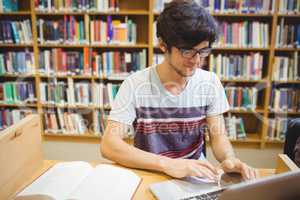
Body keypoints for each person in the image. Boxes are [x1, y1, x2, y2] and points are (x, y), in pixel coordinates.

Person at [100, 0, 257, 181]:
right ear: (163, 45)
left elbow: (219, 137)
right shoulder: (135, 85)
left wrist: (229, 159)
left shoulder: (210, 82)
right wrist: (169, 164)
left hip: (196, 175)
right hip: (150, 173)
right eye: (188, 51)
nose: (197, 60)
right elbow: (109, 145)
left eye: (203, 51)